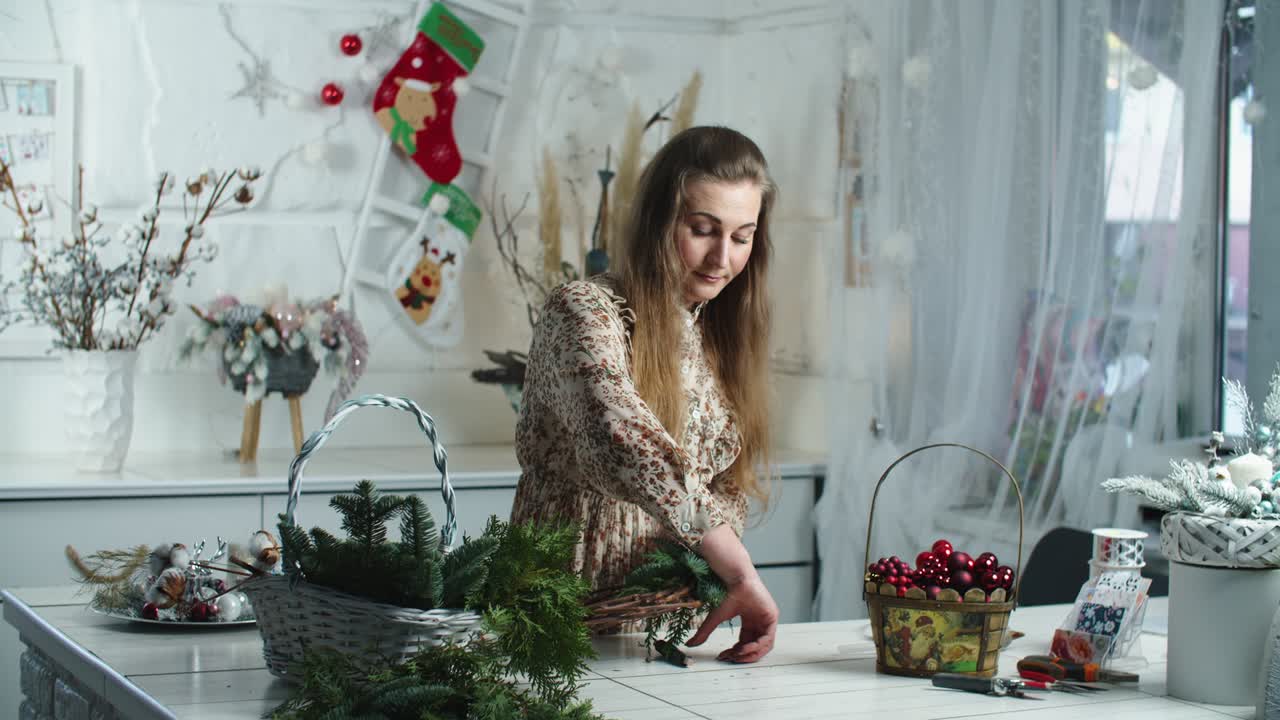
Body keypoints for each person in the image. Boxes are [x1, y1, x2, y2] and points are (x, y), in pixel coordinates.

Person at [511, 125, 779, 663]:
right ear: (659, 220)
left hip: (671, 620)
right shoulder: (584, 310)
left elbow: (725, 482)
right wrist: (739, 569)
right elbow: (624, 441)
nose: (721, 257)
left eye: (741, 237)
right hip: (565, 606)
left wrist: (706, 578)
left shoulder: (720, 333)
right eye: (702, 229)